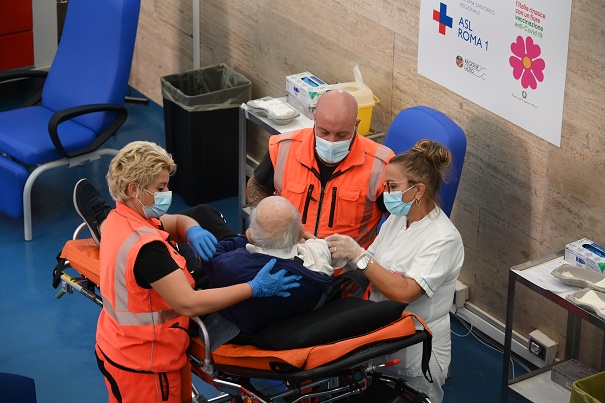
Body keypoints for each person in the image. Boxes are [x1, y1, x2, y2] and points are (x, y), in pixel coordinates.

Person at [83, 141, 301, 403]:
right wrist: (254, 288)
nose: (167, 193)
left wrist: (191, 229)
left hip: (118, 345)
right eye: (160, 188)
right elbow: (188, 303)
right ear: (133, 189)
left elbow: (175, 221)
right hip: (147, 365)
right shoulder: (148, 251)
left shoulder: (118, 220)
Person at [326, 139, 464, 403]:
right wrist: (332, 251)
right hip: (384, 333)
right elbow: (372, 261)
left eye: (392, 186)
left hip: (416, 348)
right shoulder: (400, 219)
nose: (385, 192)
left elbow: (404, 292)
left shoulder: (442, 239)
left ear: (418, 189)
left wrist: (358, 255)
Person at [246, 89, 395, 249]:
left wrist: (364, 256)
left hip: (348, 262)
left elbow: (399, 222)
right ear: (315, 119)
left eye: (341, 135)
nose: (331, 142)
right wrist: (270, 223)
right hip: (290, 253)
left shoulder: (381, 165)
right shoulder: (284, 148)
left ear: (356, 125)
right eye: (324, 132)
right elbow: (257, 185)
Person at [202, 195, 345, 341]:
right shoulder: (319, 257)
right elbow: (323, 247)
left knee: (203, 213)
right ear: (299, 233)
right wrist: (306, 239)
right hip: (290, 323)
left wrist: (246, 238)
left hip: (243, 331)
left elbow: (209, 255)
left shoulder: (235, 265)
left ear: (251, 235)